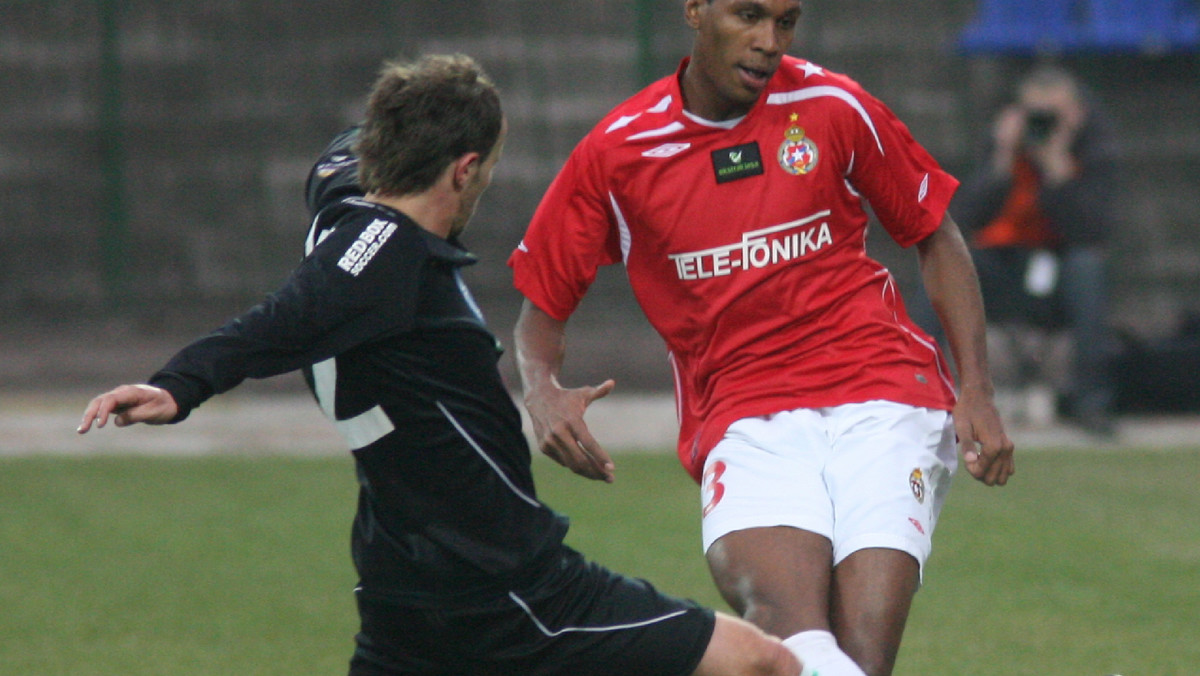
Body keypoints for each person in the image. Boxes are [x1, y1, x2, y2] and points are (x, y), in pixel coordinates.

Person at [76, 54, 803, 676]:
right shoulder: (383, 255)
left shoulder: (338, 206)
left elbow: (342, 156)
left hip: (403, 585)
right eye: (482, 167)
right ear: (463, 170)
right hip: (505, 589)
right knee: (764, 663)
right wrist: (179, 384)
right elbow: (288, 318)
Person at [508, 2, 1015, 675]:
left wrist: (976, 389)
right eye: (749, 15)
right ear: (694, 9)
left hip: (886, 396)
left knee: (857, 654)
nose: (768, 42)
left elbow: (934, 232)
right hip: (745, 418)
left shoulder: (833, 105)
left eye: (785, 21)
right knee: (789, 645)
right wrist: (541, 392)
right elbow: (539, 313)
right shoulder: (619, 151)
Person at [950, 64, 1118, 436]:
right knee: (947, 266)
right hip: (1007, 263)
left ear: (1076, 115)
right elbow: (962, 219)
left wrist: (1057, 165)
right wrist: (1001, 161)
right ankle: (928, 399)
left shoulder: (1095, 151)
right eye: (1034, 115)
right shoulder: (1002, 149)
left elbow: (1092, 232)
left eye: (1052, 115)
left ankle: (1092, 405)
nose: (1042, 125)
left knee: (1088, 268)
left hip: (1061, 269)